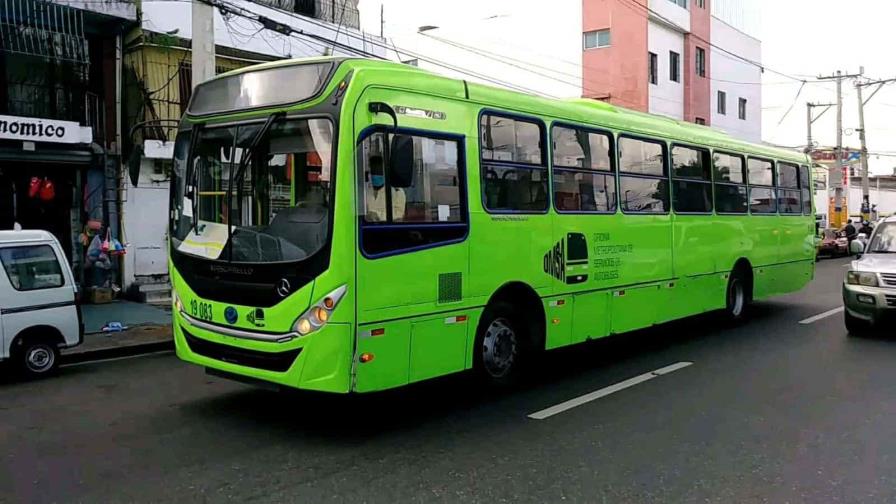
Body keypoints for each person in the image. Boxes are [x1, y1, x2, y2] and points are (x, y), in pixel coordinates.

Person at [365, 154, 406, 222]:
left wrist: (377, 215)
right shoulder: (365, 192)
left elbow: (399, 214)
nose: (375, 175)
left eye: (378, 171)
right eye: (373, 171)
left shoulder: (397, 192)